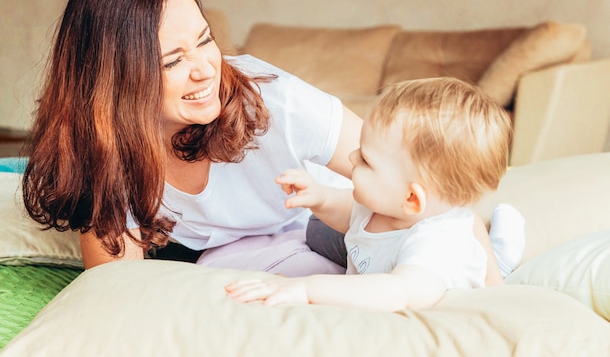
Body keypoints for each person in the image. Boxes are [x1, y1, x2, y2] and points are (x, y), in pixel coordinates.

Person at [21, 0, 505, 282]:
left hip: (318, 223)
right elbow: (116, 293)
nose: (205, 68)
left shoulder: (273, 101)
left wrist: (495, 292)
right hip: (220, 259)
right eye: (172, 61)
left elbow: (429, 184)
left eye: (206, 40)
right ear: (113, 81)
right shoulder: (101, 154)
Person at [225, 78, 525, 311]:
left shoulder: (437, 247)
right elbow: (347, 212)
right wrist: (319, 197)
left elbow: (400, 293)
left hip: (441, 298)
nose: (352, 157)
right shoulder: (384, 207)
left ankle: (498, 257)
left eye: (366, 159)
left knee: (483, 267)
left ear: (411, 199)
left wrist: (307, 289)